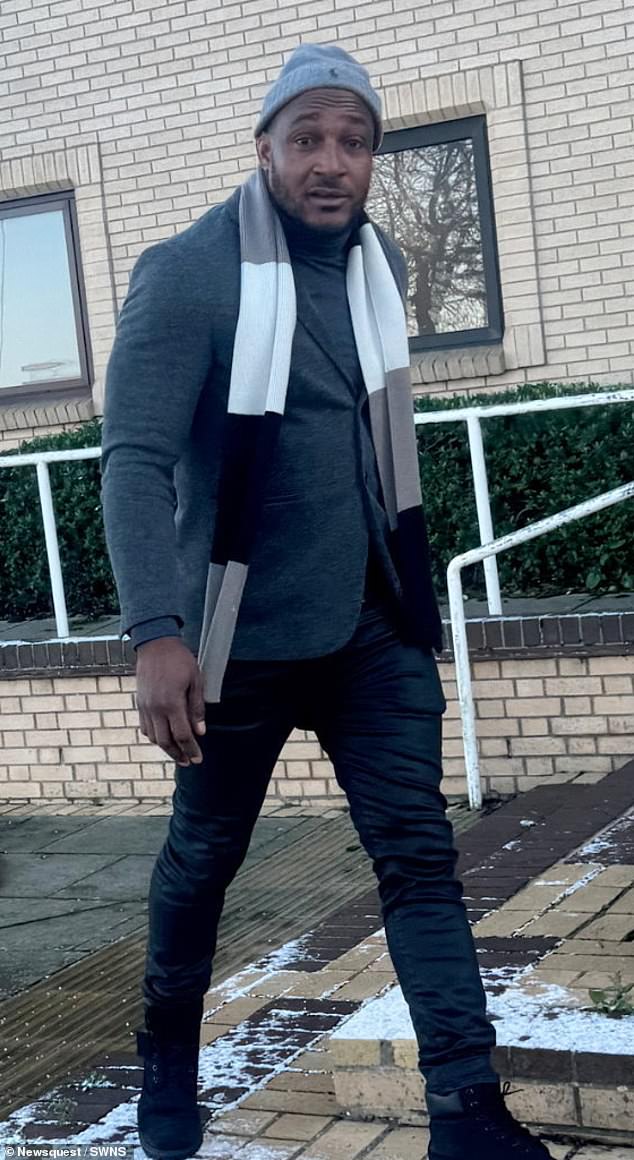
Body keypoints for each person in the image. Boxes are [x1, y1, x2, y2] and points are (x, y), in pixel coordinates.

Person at [101, 42, 552, 1160]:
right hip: (234, 639)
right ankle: (166, 1063)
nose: (331, 162)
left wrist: (409, 602)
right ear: (265, 148)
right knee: (204, 864)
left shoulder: (375, 266)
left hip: (372, 622)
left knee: (419, 858)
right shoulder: (187, 272)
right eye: (307, 138)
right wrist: (156, 633)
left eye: (354, 142)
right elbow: (134, 460)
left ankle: (467, 1110)